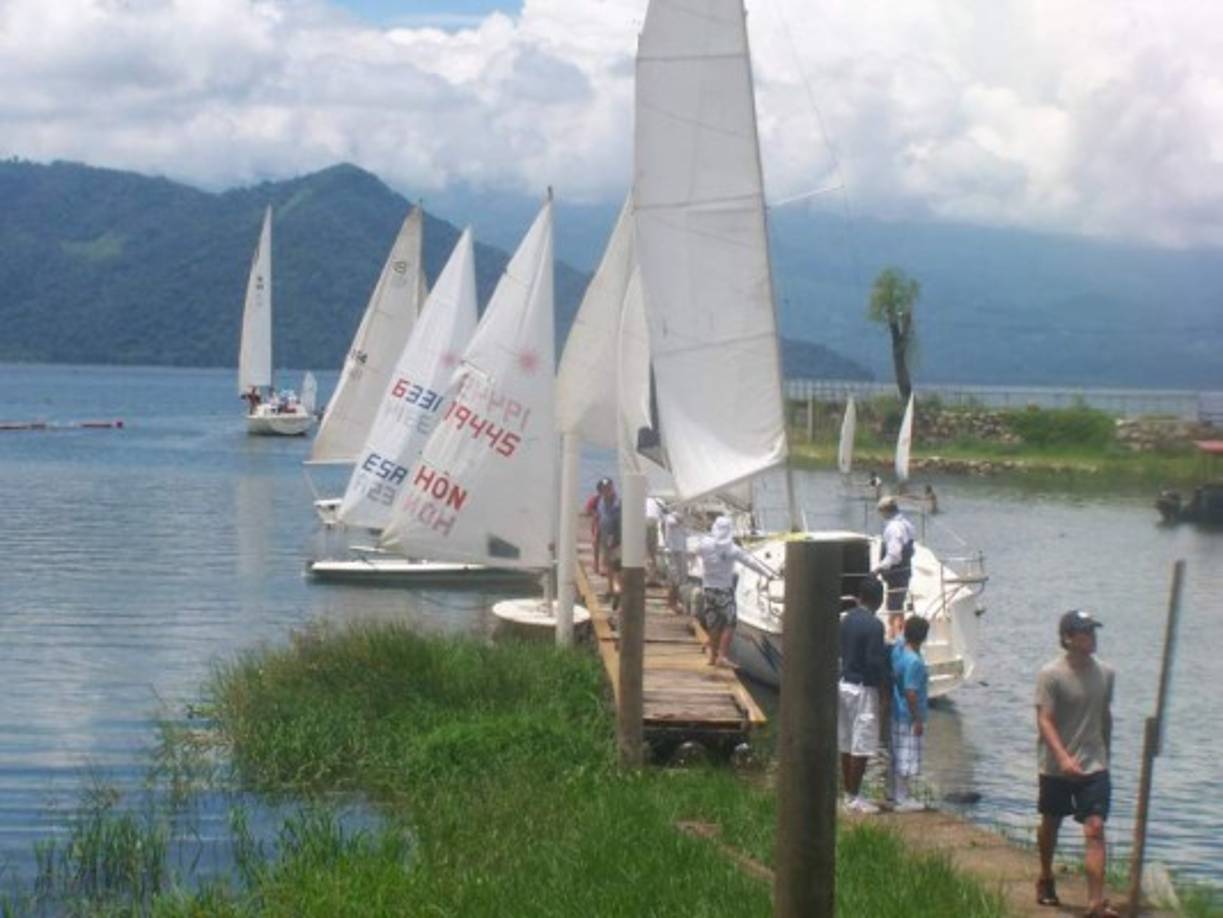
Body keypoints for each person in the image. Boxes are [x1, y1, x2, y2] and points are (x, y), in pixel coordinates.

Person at [1034, 610, 1116, 917]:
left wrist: (1106, 754)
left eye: (1094, 631)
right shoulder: (1050, 675)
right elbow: (1045, 720)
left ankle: (1095, 902)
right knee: (1051, 823)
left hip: (1094, 763)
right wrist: (1063, 758)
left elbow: (1104, 714)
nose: (1092, 637)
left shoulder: (1106, 673)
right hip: (1056, 765)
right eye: (1085, 632)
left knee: (1095, 827)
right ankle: (1045, 875)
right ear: (1068, 638)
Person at [695, 516, 776, 668]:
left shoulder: (705, 544)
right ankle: (722, 656)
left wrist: (703, 567)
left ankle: (712, 657)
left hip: (708, 589)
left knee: (713, 623)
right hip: (724, 590)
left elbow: (696, 553)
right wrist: (769, 575)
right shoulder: (732, 548)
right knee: (730, 623)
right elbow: (750, 562)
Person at [839, 576, 888, 814]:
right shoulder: (875, 625)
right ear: (879, 599)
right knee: (862, 743)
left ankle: (847, 794)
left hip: (844, 683)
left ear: (859, 596)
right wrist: (883, 689)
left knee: (846, 742)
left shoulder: (847, 619)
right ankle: (854, 796)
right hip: (863, 688)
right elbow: (874, 662)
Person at [890, 616, 930, 812]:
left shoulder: (899, 650)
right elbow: (911, 691)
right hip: (908, 714)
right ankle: (902, 799)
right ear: (923, 637)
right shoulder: (915, 662)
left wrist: (898, 626)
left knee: (897, 754)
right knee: (907, 755)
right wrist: (918, 718)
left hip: (896, 710)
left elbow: (897, 636)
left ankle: (895, 793)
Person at [871, 495, 916, 618]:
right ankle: (899, 633)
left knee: (893, 607)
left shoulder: (893, 528)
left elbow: (894, 555)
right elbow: (911, 548)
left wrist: (877, 569)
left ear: (885, 511)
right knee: (898, 605)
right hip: (905, 571)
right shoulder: (907, 524)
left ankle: (895, 634)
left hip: (896, 575)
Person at [661, 506, 689, 613]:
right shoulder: (670, 518)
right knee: (673, 579)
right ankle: (670, 604)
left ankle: (674, 603)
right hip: (673, 551)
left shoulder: (678, 520)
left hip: (680, 551)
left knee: (678, 580)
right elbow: (675, 521)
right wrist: (682, 517)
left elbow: (685, 532)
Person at [583, 479, 609, 575]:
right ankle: (597, 565)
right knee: (597, 546)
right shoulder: (595, 499)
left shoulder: (612, 499)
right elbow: (587, 510)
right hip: (598, 526)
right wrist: (595, 513)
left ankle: (604, 567)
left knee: (607, 547)